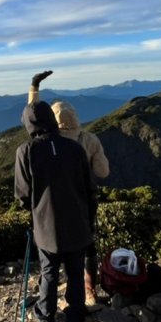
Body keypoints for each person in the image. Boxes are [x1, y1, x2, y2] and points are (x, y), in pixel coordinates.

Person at [15, 79, 97, 322]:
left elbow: (23, 195)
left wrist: (32, 210)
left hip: (46, 224)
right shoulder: (74, 148)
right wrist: (90, 221)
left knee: (49, 273)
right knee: (75, 273)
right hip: (79, 222)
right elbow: (89, 188)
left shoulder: (25, 151)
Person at [51, 100, 109, 307]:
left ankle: (59, 288)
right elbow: (103, 172)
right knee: (88, 244)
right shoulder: (90, 140)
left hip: (54, 203)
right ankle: (89, 287)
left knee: (57, 246)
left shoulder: (48, 142)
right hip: (84, 200)